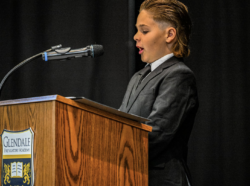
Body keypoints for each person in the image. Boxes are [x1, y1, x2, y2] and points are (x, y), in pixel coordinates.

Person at [119, 0, 199, 185]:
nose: (135, 37)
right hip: (130, 176)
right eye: (137, 30)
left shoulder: (179, 76)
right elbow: (120, 123)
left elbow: (157, 134)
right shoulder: (137, 77)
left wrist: (112, 150)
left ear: (170, 34)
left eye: (144, 30)